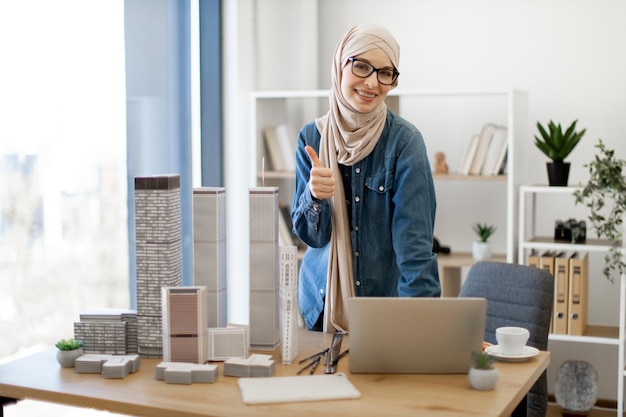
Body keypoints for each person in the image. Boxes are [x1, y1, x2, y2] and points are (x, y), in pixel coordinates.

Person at [291, 24, 440, 333]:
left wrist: (423, 330)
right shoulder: (311, 137)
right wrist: (314, 198)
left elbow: (415, 251)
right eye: (361, 66)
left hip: (382, 313)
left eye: (386, 73)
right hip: (320, 307)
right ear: (339, 65)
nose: (372, 82)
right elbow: (313, 238)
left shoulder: (405, 143)